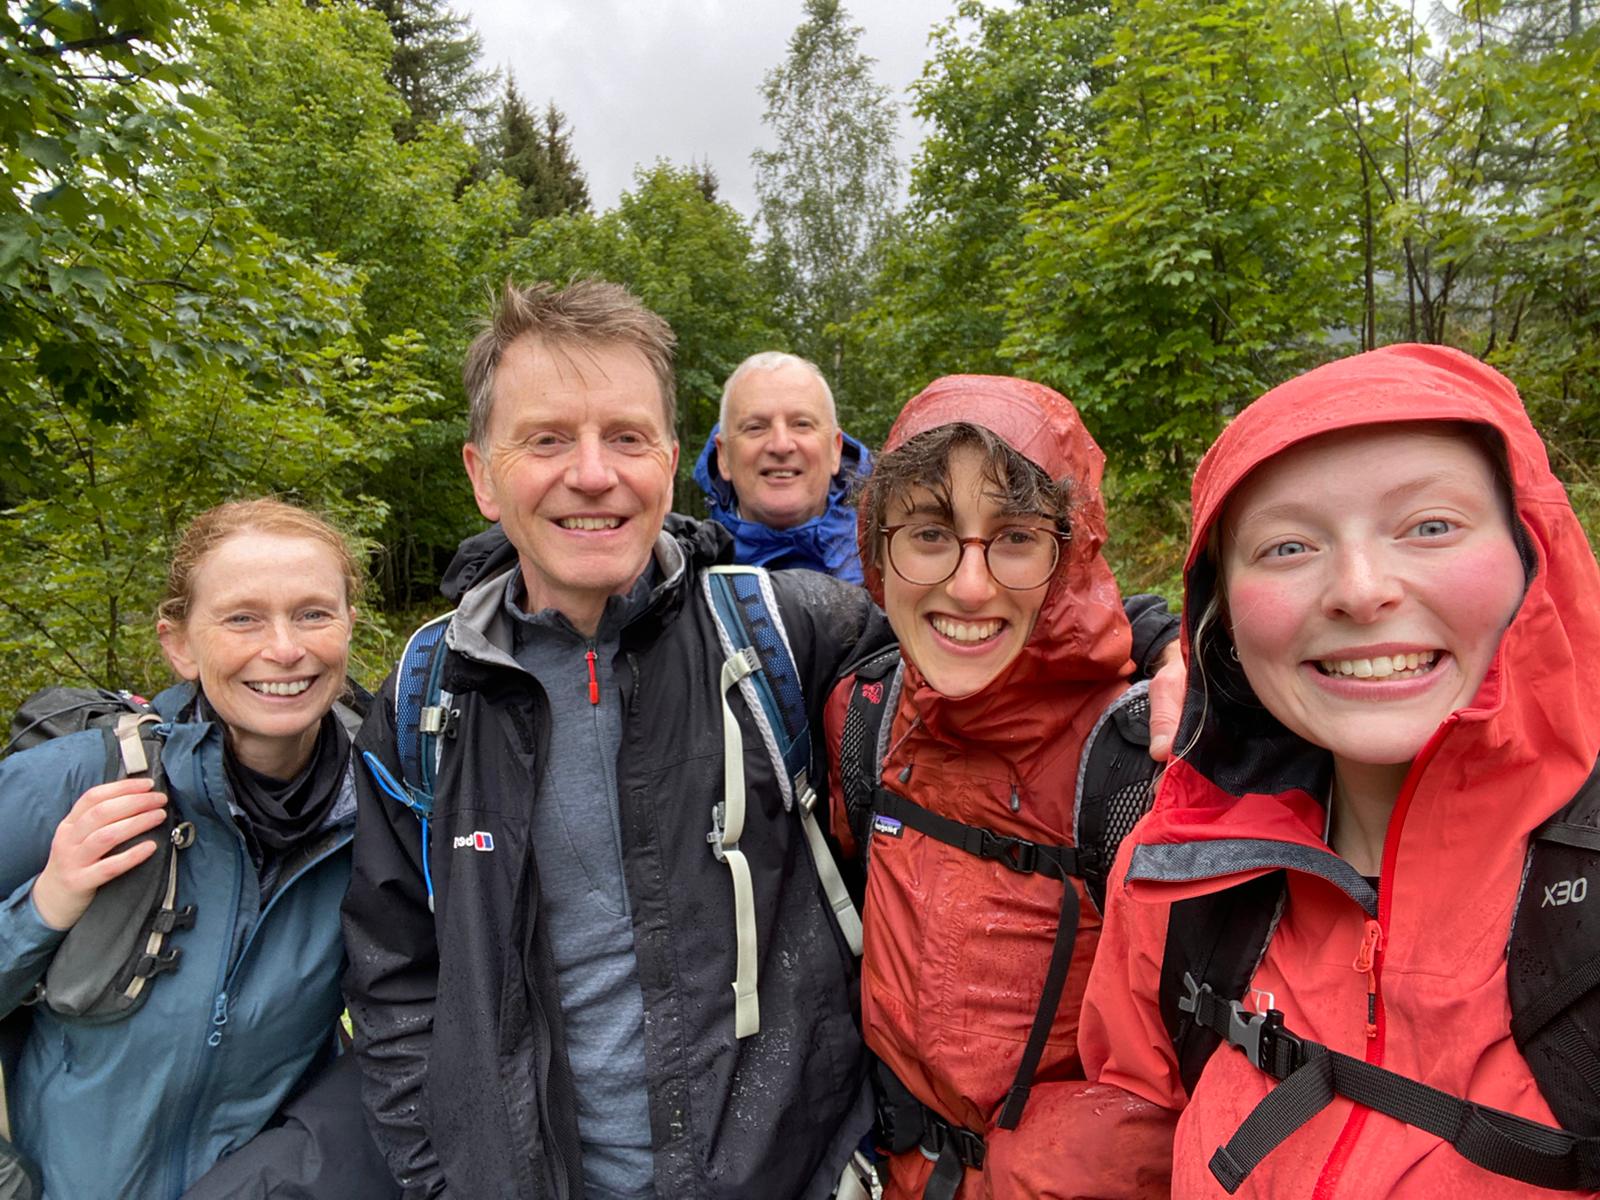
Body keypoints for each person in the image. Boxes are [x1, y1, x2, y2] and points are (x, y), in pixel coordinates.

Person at [995, 344, 1600, 1197]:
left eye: (1430, 526)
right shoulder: (1178, 879)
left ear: (1535, 555)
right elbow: (1134, 1132)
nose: (1360, 588)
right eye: (1287, 546)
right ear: (1224, 622)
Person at [342, 281, 895, 1199]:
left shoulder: (784, 635)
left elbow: (995, 648)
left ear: (671, 463)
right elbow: (396, 979)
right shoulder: (428, 696)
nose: (593, 474)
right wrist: (444, 1182)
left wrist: (1152, 656)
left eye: (627, 438)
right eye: (547, 439)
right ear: (482, 475)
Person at [822, 376, 1178, 1200]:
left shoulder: (1143, 763)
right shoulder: (861, 715)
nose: (970, 586)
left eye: (1015, 537)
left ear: (1071, 554)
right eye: (930, 533)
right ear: (877, 550)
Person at [0, 499, 391, 1200]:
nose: (284, 649)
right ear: (179, 644)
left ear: (349, 626)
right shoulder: (71, 785)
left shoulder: (390, 811)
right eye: (242, 618)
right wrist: (43, 909)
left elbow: (417, 1028)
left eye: (313, 614)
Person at [692, 351, 872, 582]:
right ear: (723, 456)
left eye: (802, 424)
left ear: (835, 449)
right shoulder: (685, 579)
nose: (781, 445)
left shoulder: (888, 563)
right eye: (756, 427)